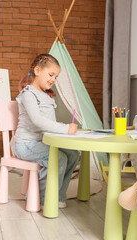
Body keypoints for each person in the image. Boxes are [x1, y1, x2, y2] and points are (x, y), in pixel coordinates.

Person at [13, 53, 79, 209]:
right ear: (37, 70)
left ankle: (58, 196)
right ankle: (42, 199)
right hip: (25, 144)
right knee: (59, 158)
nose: (53, 80)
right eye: (51, 75)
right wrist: (65, 128)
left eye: (56, 77)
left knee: (73, 155)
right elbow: (37, 120)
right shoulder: (28, 94)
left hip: (41, 142)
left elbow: (46, 121)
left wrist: (57, 124)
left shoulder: (47, 96)